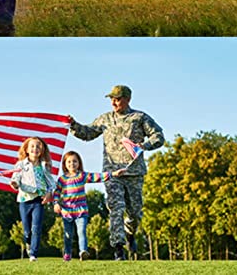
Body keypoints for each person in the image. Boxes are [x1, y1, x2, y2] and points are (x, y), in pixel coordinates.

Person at [67, 85, 165, 260]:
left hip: (134, 172)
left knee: (135, 212)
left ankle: (129, 232)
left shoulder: (139, 117)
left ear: (127, 99)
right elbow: (87, 133)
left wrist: (145, 145)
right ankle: (118, 249)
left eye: (117, 98)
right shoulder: (105, 119)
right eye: (111, 98)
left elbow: (158, 136)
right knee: (116, 209)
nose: (114, 102)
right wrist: (73, 125)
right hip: (112, 173)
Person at [53, 150, 126, 262]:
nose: (72, 164)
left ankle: (83, 251)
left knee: (81, 231)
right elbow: (57, 192)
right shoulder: (62, 179)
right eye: (69, 162)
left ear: (79, 163)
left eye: (74, 161)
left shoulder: (82, 176)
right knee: (68, 235)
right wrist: (56, 203)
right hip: (67, 212)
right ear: (65, 164)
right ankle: (67, 253)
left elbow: (97, 176)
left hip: (81, 211)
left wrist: (113, 174)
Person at [9, 136, 55, 262]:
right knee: (27, 231)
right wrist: (14, 184)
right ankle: (28, 243)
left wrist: (49, 193)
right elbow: (16, 178)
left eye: (39, 146)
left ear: (42, 150)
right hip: (24, 200)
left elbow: (51, 183)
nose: (36, 148)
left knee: (36, 228)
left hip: (38, 201)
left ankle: (33, 254)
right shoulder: (21, 164)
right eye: (32, 146)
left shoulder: (44, 166)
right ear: (27, 150)